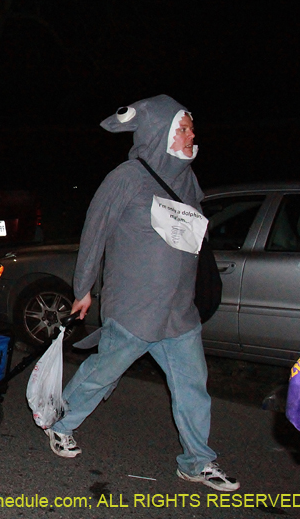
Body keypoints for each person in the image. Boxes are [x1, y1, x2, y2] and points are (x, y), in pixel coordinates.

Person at [44, 95, 239, 492]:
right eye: (182, 128)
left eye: (190, 128)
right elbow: (94, 232)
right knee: (103, 374)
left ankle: (197, 461)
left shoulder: (188, 179)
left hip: (178, 311)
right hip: (135, 308)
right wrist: (83, 289)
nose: (191, 135)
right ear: (160, 132)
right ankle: (60, 424)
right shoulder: (127, 178)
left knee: (191, 385)